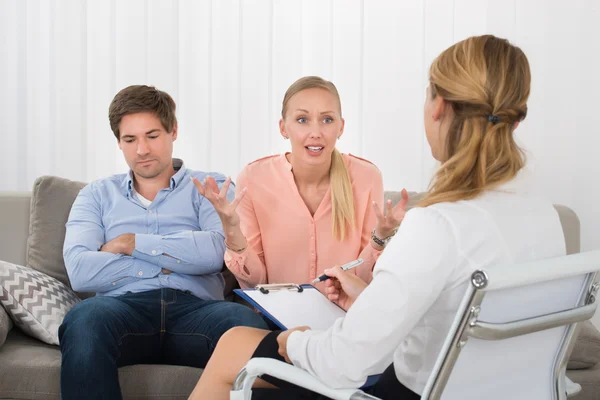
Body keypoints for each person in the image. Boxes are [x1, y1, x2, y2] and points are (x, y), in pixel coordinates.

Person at [188, 35, 567, 400]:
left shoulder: (436, 224)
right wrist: (368, 296)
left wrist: (293, 343)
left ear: (438, 108)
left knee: (235, 344)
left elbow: (343, 363)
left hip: (413, 388)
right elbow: (448, 312)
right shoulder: (543, 216)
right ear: (516, 119)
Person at [59, 85, 267, 400]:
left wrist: (130, 243)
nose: (142, 149)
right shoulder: (96, 195)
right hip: (121, 311)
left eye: (152, 136)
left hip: (198, 311)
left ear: (173, 131)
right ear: (119, 142)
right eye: (130, 139)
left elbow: (214, 252)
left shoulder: (212, 186)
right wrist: (171, 263)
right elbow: (80, 271)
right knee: (84, 319)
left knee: (245, 323)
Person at [193, 76, 408, 289]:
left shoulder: (367, 178)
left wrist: (380, 236)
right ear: (283, 128)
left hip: (343, 316)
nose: (315, 133)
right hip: (277, 318)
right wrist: (232, 230)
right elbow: (256, 281)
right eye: (302, 120)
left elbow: (363, 280)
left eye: (327, 120)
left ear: (341, 127)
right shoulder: (253, 178)